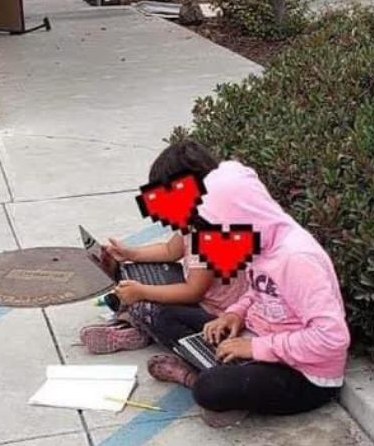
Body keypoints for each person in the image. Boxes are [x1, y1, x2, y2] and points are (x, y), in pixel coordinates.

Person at [144, 160, 351, 428]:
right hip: (257, 338)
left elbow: (332, 338)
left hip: (303, 374)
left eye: (215, 228)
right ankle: (223, 372)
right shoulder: (259, 239)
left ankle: (199, 378)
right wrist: (234, 314)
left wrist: (256, 347)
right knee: (162, 313)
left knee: (210, 389)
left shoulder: (297, 258)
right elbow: (259, 291)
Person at [78, 139, 247, 354]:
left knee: (156, 312)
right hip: (199, 292)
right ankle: (134, 321)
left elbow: (193, 292)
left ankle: (137, 328)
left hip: (217, 314)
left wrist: (143, 292)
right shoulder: (195, 219)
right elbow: (170, 250)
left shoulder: (211, 234)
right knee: (132, 271)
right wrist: (130, 253)